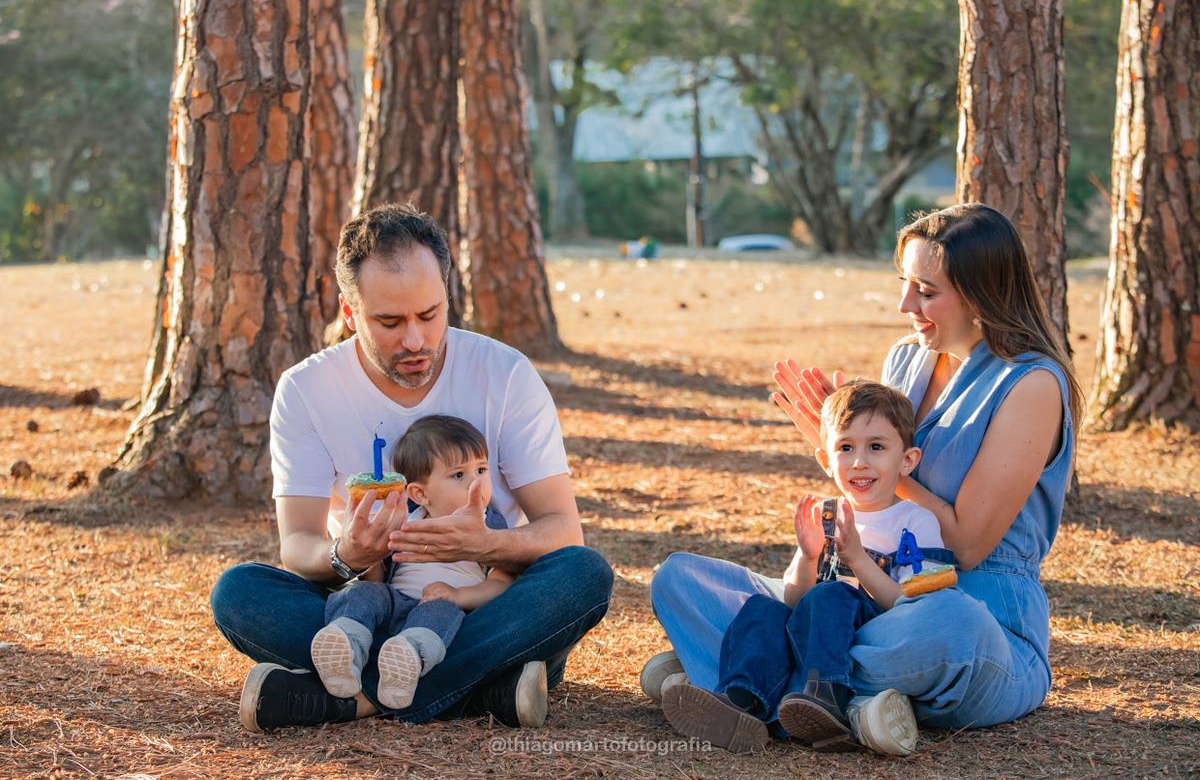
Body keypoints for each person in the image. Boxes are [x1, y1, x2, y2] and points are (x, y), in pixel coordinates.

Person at [644, 203, 1082, 755]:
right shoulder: (906, 359)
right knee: (678, 578)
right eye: (905, 284)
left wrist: (874, 466)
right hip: (858, 601)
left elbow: (967, 545)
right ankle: (832, 698)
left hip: (967, 619)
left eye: (927, 291)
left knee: (951, 623)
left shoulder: (1031, 384)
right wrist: (847, 452)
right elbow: (875, 501)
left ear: (981, 295)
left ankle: (745, 679)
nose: (906, 306)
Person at [210, 202, 614, 733]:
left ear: (447, 295)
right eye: (389, 322)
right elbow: (298, 544)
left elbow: (563, 530)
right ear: (350, 312)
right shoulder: (307, 390)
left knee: (583, 574)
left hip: (485, 611)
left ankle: (357, 699)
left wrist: (485, 545)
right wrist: (346, 554)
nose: (415, 340)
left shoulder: (505, 374)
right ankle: (486, 688)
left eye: (429, 314)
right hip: (372, 607)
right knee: (239, 593)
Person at [661, 381, 950, 755]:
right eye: (845, 448)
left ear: (907, 460)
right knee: (765, 609)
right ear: (827, 461)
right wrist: (809, 556)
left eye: (876, 447)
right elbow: (796, 602)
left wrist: (857, 559)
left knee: (830, 594)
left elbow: (911, 606)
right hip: (814, 636)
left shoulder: (915, 520)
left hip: (871, 638)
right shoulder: (828, 515)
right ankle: (740, 702)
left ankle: (826, 697)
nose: (859, 462)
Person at [312, 415, 515, 711]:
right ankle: (346, 641)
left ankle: (407, 659)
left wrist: (458, 595)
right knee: (361, 593)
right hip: (393, 603)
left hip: (443, 615)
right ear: (420, 494)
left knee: (440, 611)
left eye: (481, 470)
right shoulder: (406, 520)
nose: (477, 482)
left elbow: (502, 583)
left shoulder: (489, 525)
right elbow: (379, 579)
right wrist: (368, 559)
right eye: (459, 475)